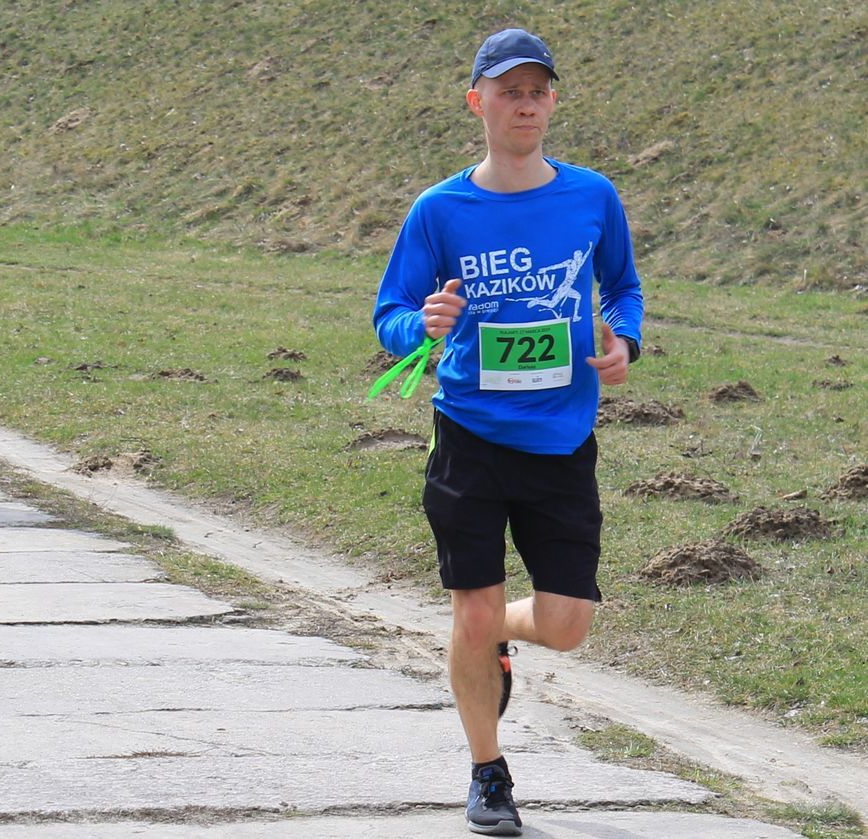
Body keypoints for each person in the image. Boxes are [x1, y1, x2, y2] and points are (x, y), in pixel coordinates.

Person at [372, 28, 644, 836]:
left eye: (537, 91)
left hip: (562, 441)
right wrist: (421, 324)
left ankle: (497, 634)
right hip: (469, 435)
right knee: (471, 608)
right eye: (508, 91)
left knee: (566, 625)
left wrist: (625, 343)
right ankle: (488, 772)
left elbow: (624, 288)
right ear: (477, 102)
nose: (524, 104)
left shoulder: (592, 196)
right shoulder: (440, 209)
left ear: (552, 102)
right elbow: (392, 314)